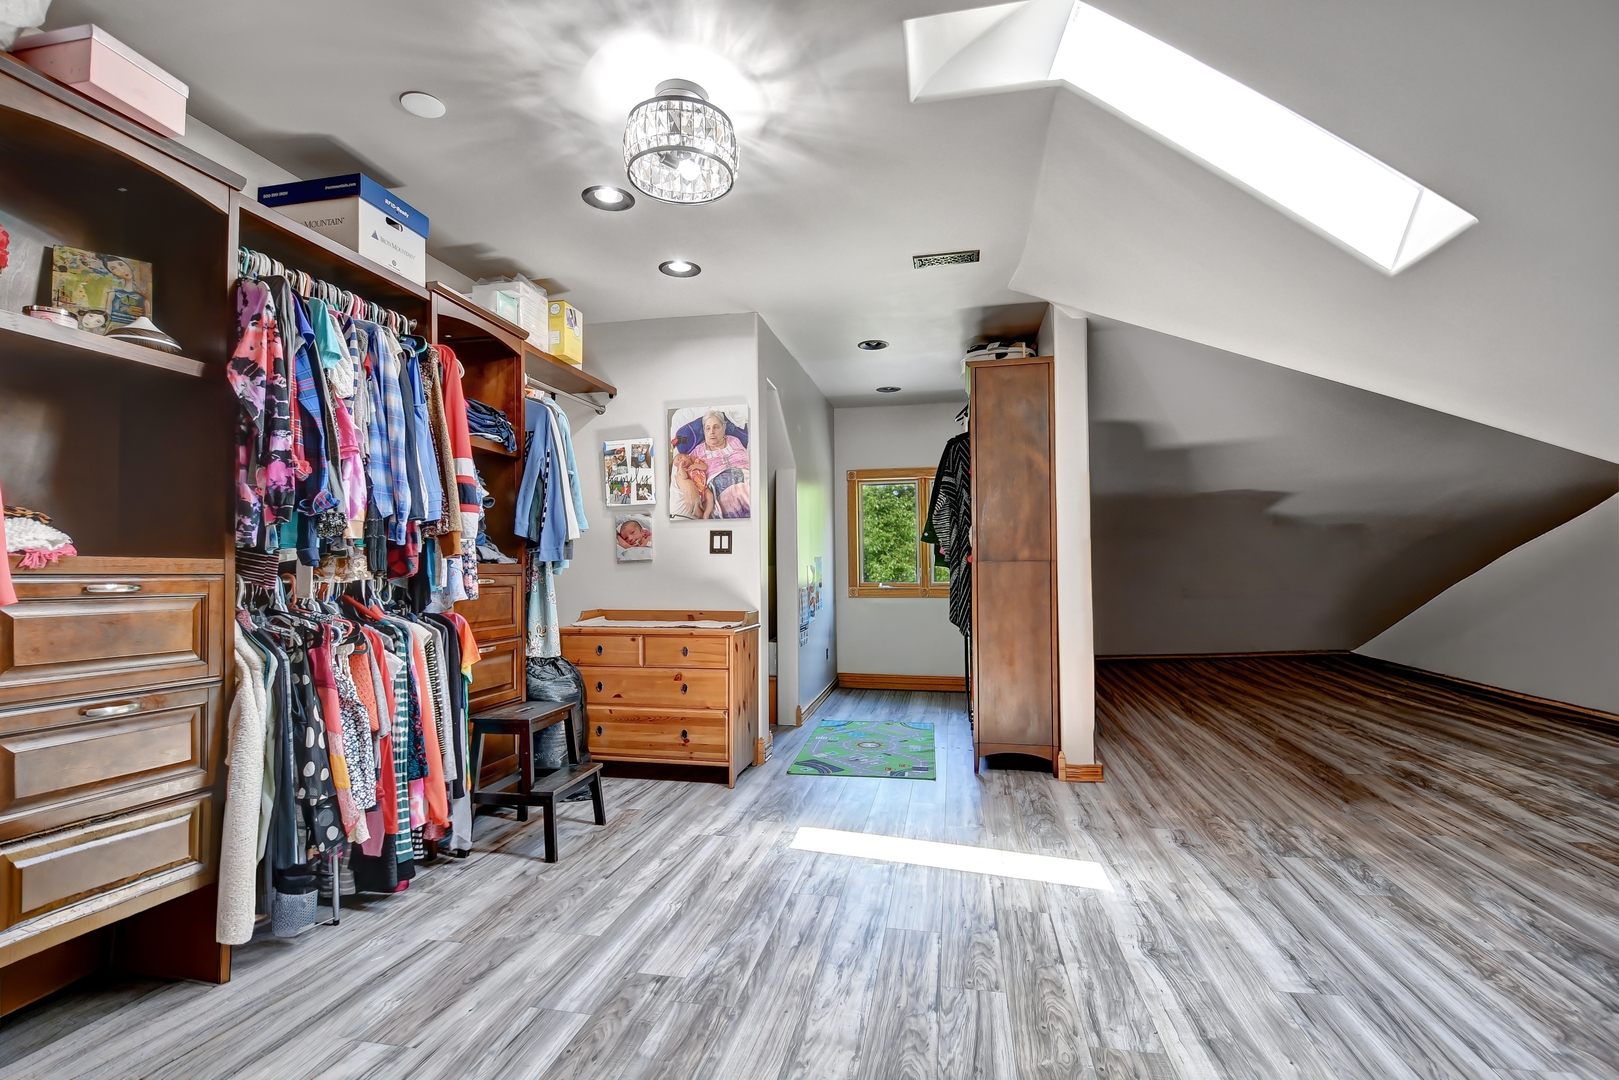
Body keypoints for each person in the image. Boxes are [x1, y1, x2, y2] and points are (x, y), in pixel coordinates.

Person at [694, 409, 749, 518]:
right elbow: (682, 466)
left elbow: (748, 461)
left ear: (724, 428)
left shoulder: (734, 441)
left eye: (716, 427)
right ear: (704, 431)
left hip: (744, 477)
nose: (711, 432)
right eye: (708, 428)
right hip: (718, 484)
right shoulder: (698, 451)